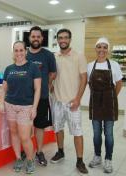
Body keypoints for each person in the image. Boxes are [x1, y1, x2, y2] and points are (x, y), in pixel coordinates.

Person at [50, 28, 88, 174]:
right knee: (58, 128)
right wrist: (51, 87)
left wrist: (78, 98)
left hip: (73, 102)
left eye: (66, 38)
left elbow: (84, 79)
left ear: (70, 40)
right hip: (57, 101)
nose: (63, 40)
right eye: (60, 38)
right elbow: (52, 75)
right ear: (57, 40)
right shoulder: (54, 56)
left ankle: (80, 160)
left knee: (77, 131)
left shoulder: (79, 56)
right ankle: (60, 151)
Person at [0, 41, 41, 174]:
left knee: (25, 137)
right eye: (16, 50)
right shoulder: (9, 69)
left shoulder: (33, 67)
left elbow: (38, 89)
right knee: (14, 133)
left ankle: (30, 160)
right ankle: (18, 158)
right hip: (10, 105)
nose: (19, 53)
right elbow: (3, 88)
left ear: (26, 51)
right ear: (13, 52)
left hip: (26, 107)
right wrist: (1, 102)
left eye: (21, 50)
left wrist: (34, 108)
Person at [87, 37, 122, 173]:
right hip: (95, 102)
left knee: (109, 134)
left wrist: (111, 98)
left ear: (108, 50)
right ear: (95, 48)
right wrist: (98, 96)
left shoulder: (114, 65)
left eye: (105, 47)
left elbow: (118, 84)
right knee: (96, 133)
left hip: (109, 103)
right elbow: (90, 84)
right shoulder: (90, 65)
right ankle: (97, 157)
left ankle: (108, 159)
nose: (102, 50)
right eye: (99, 47)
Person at [26, 26, 57, 166]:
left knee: (39, 126)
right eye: (33, 36)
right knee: (25, 126)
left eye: (38, 36)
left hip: (42, 97)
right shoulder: (24, 54)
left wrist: (47, 84)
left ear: (42, 38)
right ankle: (26, 150)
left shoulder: (48, 55)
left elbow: (53, 73)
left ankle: (39, 152)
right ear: (29, 38)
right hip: (24, 99)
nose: (36, 39)